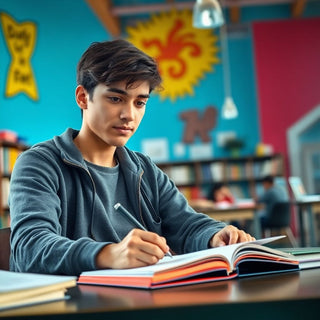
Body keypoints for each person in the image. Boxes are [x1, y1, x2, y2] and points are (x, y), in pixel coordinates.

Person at [9, 39, 254, 276]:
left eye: (139, 102)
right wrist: (108, 254)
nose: (129, 115)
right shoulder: (38, 163)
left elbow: (187, 224)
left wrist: (217, 234)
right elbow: (29, 249)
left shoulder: (144, 169)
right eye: (116, 99)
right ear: (83, 97)